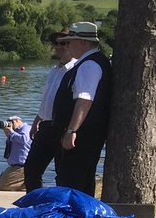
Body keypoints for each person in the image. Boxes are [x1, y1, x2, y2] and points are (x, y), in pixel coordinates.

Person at [53, 21, 113, 197]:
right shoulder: (91, 62)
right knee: (80, 182)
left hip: (82, 136)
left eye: (70, 41)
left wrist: (72, 130)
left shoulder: (89, 65)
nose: (67, 46)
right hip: (86, 135)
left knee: (72, 183)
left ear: (82, 43)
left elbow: (84, 100)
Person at [24, 31, 76, 192]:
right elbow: (47, 100)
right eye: (57, 43)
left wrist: (71, 129)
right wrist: (36, 122)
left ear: (71, 45)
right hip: (45, 125)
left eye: (64, 43)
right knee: (31, 169)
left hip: (63, 126)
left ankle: (61, 208)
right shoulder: (54, 70)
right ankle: (35, 206)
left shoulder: (75, 69)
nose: (59, 47)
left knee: (62, 173)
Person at [0, 116, 32, 191]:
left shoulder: (26, 128)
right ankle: (28, 182)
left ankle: (28, 181)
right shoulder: (15, 132)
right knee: (0, 183)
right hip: (16, 166)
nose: (10, 125)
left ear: (17, 120)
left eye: (11, 122)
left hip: (23, 166)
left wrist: (11, 131)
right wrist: (8, 133)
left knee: (2, 186)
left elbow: (24, 139)